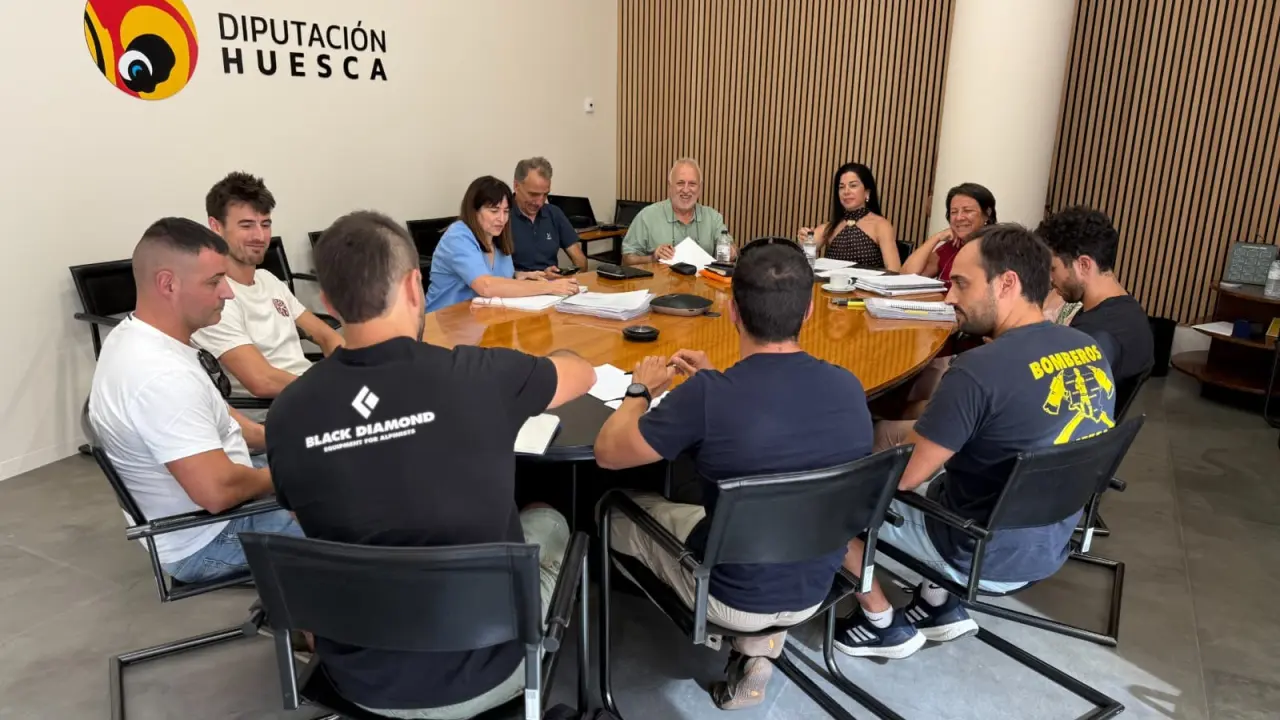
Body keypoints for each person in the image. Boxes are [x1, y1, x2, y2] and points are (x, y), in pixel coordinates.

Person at [266, 210, 597, 719]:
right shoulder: (480, 374)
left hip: (358, 679)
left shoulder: (286, 414)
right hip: (491, 670)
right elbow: (581, 374)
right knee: (549, 519)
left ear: (327, 302)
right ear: (413, 286)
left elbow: (302, 517)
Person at [594, 239, 875, 710]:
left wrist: (639, 391)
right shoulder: (848, 387)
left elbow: (608, 453)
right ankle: (759, 647)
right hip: (816, 587)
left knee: (612, 508)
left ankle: (737, 637)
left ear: (733, 311)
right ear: (808, 311)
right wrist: (719, 378)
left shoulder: (708, 396)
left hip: (728, 597)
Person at [835, 224, 1117, 659]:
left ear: (1006, 283)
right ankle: (936, 604)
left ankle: (880, 622)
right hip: (1049, 541)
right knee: (942, 466)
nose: (950, 296)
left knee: (821, 498)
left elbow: (905, 480)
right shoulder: (1089, 347)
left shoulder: (977, 371)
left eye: (962, 284)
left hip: (979, 552)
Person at [89, 218, 301, 584]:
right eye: (214, 281)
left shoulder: (138, 334)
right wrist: (295, 474)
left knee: (343, 468)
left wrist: (295, 444)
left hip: (218, 494)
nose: (228, 293)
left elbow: (224, 419)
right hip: (209, 537)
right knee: (358, 523)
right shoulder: (160, 376)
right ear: (168, 284)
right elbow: (217, 492)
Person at [192, 172, 344, 405]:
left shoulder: (268, 280)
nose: (260, 236)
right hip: (274, 409)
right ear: (216, 227)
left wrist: (352, 372)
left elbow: (326, 336)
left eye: (265, 224)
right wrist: (331, 389)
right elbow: (262, 381)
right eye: (246, 225)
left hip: (310, 394)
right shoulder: (213, 297)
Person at [426, 176, 580, 312]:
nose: (502, 219)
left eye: (506, 211)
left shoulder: (496, 237)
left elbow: (497, 276)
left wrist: (521, 275)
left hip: (479, 321)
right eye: (494, 211)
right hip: (443, 324)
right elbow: (486, 286)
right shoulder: (458, 236)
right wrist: (549, 287)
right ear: (474, 211)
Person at [1037, 206, 1155, 383]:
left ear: (1084, 265)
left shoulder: (1095, 335)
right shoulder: (1128, 310)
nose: (1050, 279)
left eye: (1053, 268)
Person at [621, 158, 733, 265]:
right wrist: (653, 258)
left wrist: (731, 252)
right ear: (670, 186)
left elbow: (733, 250)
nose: (686, 190)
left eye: (692, 184)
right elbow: (626, 260)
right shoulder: (647, 216)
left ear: (699, 188)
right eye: (680, 183)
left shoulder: (713, 218)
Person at [797, 162, 901, 270]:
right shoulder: (830, 227)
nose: (846, 191)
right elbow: (805, 253)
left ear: (867, 192)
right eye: (841, 187)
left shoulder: (881, 225)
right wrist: (804, 242)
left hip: (868, 281)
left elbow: (894, 270)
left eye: (853, 186)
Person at [901, 182, 997, 287]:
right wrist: (936, 237)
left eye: (967, 211)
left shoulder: (997, 248)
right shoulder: (953, 245)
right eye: (954, 212)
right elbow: (905, 277)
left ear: (987, 213)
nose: (959, 218)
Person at [509, 157, 589, 273]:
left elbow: (581, 261)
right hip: (517, 283)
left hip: (553, 282)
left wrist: (569, 276)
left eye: (545, 194)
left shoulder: (554, 213)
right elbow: (491, 273)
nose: (540, 202)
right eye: (533, 194)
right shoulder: (501, 216)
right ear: (516, 186)